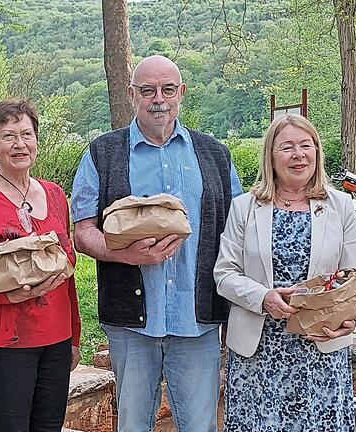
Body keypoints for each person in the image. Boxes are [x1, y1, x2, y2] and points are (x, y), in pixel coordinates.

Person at [71, 55, 243, 432]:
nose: (158, 99)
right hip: (132, 325)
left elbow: (238, 234)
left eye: (167, 89)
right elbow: (82, 232)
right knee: (133, 424)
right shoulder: (103, 153)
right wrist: (123, 253)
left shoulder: (215, 155)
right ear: (132, 94)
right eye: (147, 91)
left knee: (200, 426)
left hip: (197, 320)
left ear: (181, 93)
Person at [213, 113, 356, 431]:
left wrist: (349, 319)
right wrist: (264, 297)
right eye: (287, 147)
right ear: (271, 155)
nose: (298, 154)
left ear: (317, 152)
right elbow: (224, 274)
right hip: (260, 351)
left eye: (305, 145)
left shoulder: (340, 206)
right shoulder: (244, 207)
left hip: (320, 347)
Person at [0, 98, 81, 432]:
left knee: (48, 427)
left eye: (27, 134)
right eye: (9, 135)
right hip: (3, 344)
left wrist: (74, 337)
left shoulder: (54, 195)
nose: (19, 143)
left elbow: (68, 274)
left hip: (55, 339)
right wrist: (8, 296)